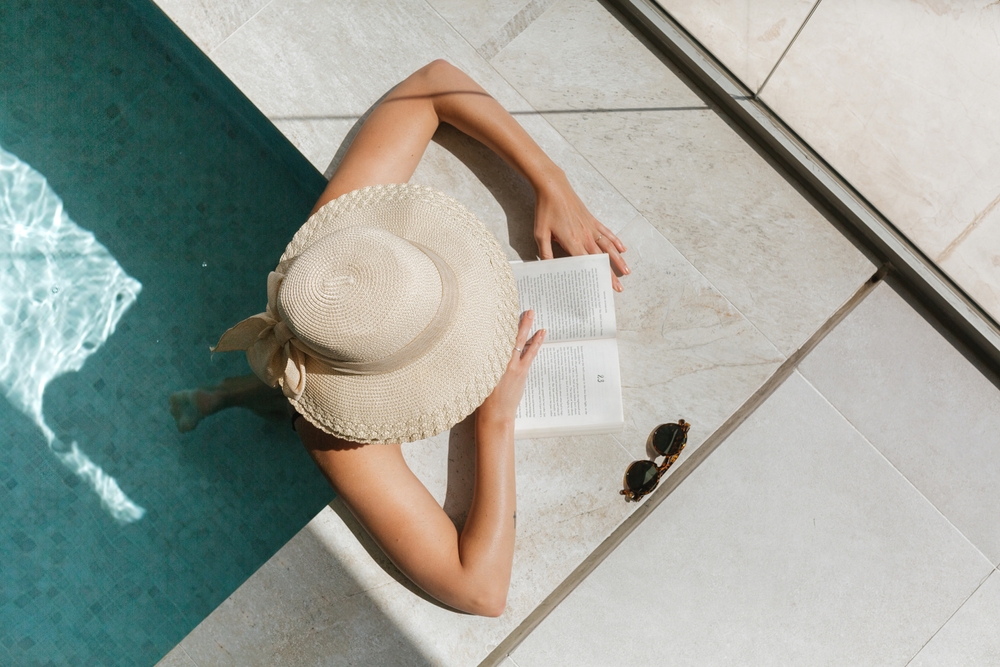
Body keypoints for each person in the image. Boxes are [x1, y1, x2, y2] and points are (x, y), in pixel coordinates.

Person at [170, 59, 628, 617]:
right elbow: (479, 591)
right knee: (294, 406)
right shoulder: (336, 437)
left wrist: (551, 183)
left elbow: (432, 83)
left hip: (313, 350)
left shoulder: (343, 255)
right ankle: (220, 396)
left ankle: (216, 396)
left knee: (282, 387)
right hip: (315, 383)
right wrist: (495, 419)